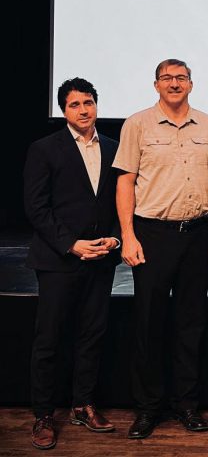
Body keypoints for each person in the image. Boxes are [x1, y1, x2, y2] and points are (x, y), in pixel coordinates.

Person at [113, 59, 208, 439]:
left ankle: (187, 405)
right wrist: (128, 235)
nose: (174, 83)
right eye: (167, 78)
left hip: (197, 234)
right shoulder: (137, 124)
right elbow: (125, 182)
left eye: (181, 78)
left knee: (191, 324)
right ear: (156, 84)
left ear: (191, 83)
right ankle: (147, 409)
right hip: (153, 235)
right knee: (148, 323)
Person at [24, 78, 120, 450]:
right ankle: (43, 415)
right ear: (64, 110)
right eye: (75, 104)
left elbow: (121, 199)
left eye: (88, 102)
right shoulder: (44, 149)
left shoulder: (114, 148)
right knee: (48, 340)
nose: (83, 110)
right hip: (58, 260)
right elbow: (35, 206)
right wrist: (71, 245)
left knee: (91, 336)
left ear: (97, 105)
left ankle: (83, 404)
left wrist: (114, 238)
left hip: (102, 258)